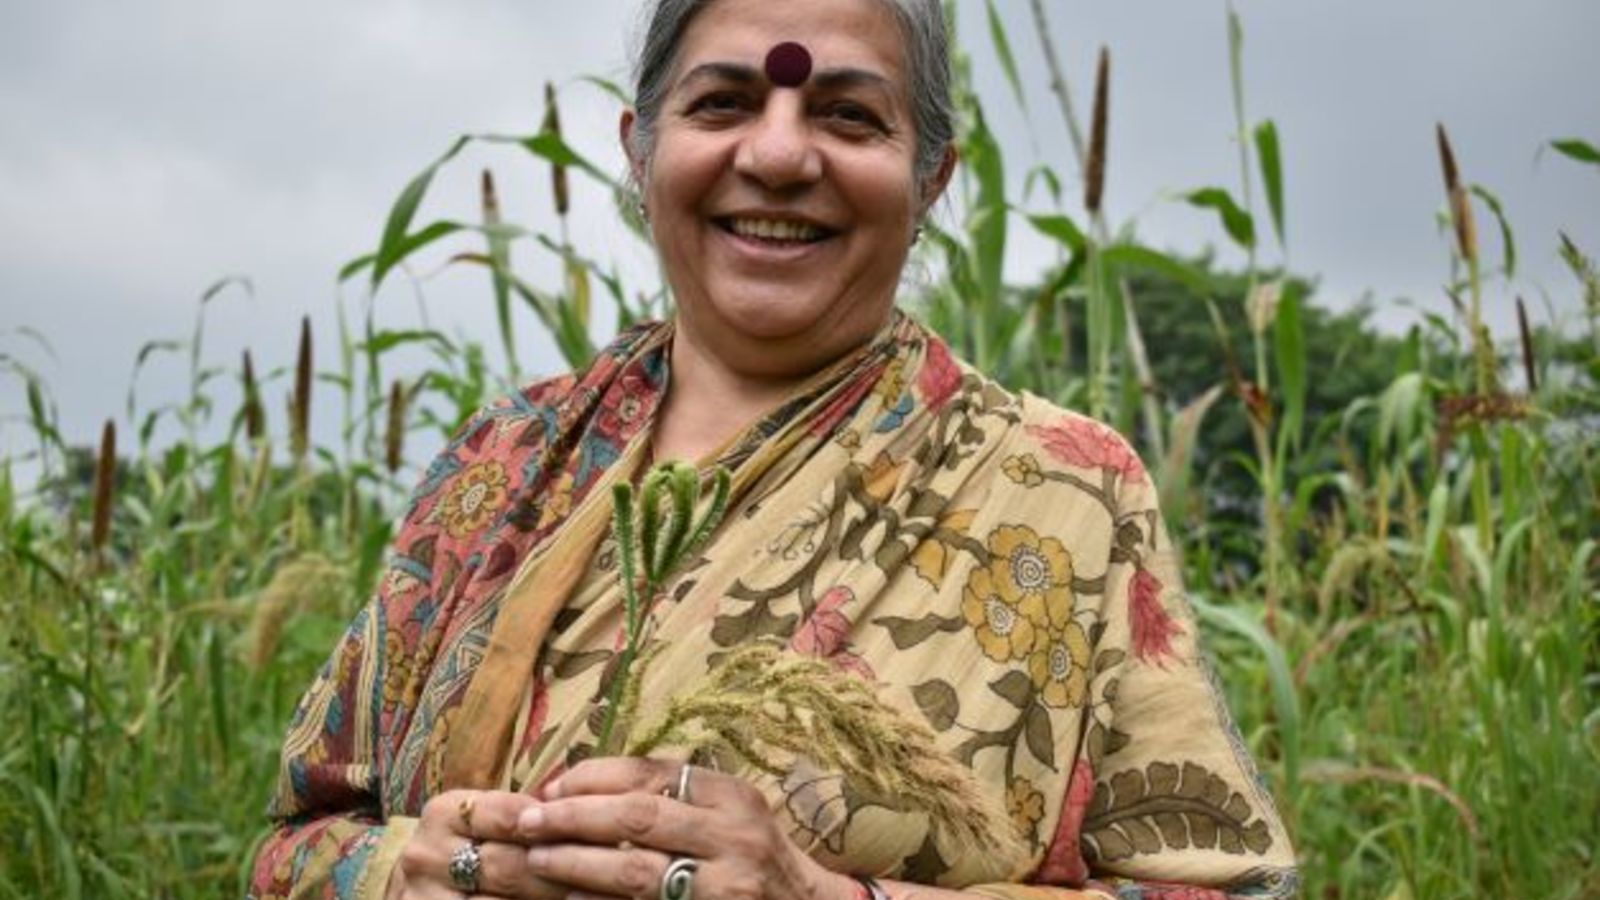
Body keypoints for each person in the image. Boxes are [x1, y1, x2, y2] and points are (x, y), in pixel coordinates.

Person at [249, 1, 1300, 898]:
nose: (782, 155)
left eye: (848, 114)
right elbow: (292, 844)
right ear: (638, 148)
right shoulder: (505, 465)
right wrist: (402, 869)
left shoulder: (1064, 488)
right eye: (723, 103)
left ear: (931, 176)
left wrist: (820, 893)